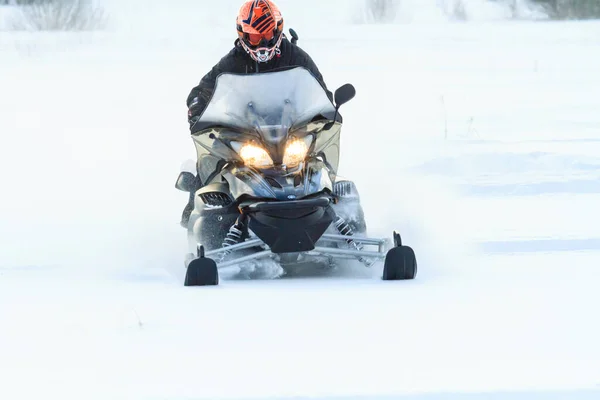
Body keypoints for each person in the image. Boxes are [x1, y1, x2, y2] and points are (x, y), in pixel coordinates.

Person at [181, 0, 332, 226]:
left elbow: (318, 87)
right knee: (212, 160)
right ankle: (199, 208)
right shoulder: (233, 60)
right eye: (254, 37)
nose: (262, 43)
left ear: (279, 30)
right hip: (246, 130)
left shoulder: (295, 57)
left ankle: (340, 217)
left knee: (318, 163)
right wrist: (196, 104)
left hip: (290, 128)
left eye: (268, 35)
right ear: (243, 35)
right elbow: (204, 89)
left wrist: (326, 106)